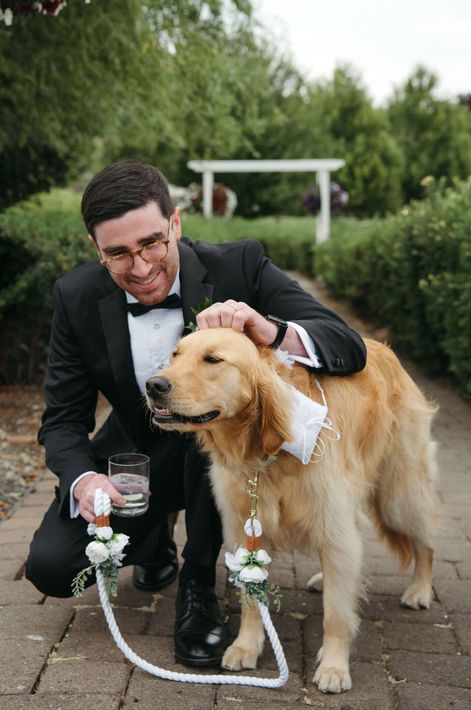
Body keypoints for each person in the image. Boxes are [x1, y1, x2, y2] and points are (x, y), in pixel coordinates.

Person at [26, 159, 366, 668]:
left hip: (230, 448)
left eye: (152, 244)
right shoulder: (74, 297)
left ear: (176, 224)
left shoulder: (241, 264)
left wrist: (270, 330)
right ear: (96, 250)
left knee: (210, 453)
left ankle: (200, 589)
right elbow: (61, 420)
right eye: (118, 254)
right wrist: (85, 480)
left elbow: (348, 345)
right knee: (54, 568)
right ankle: (152, 541)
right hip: (137, 453)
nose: (140, 268)